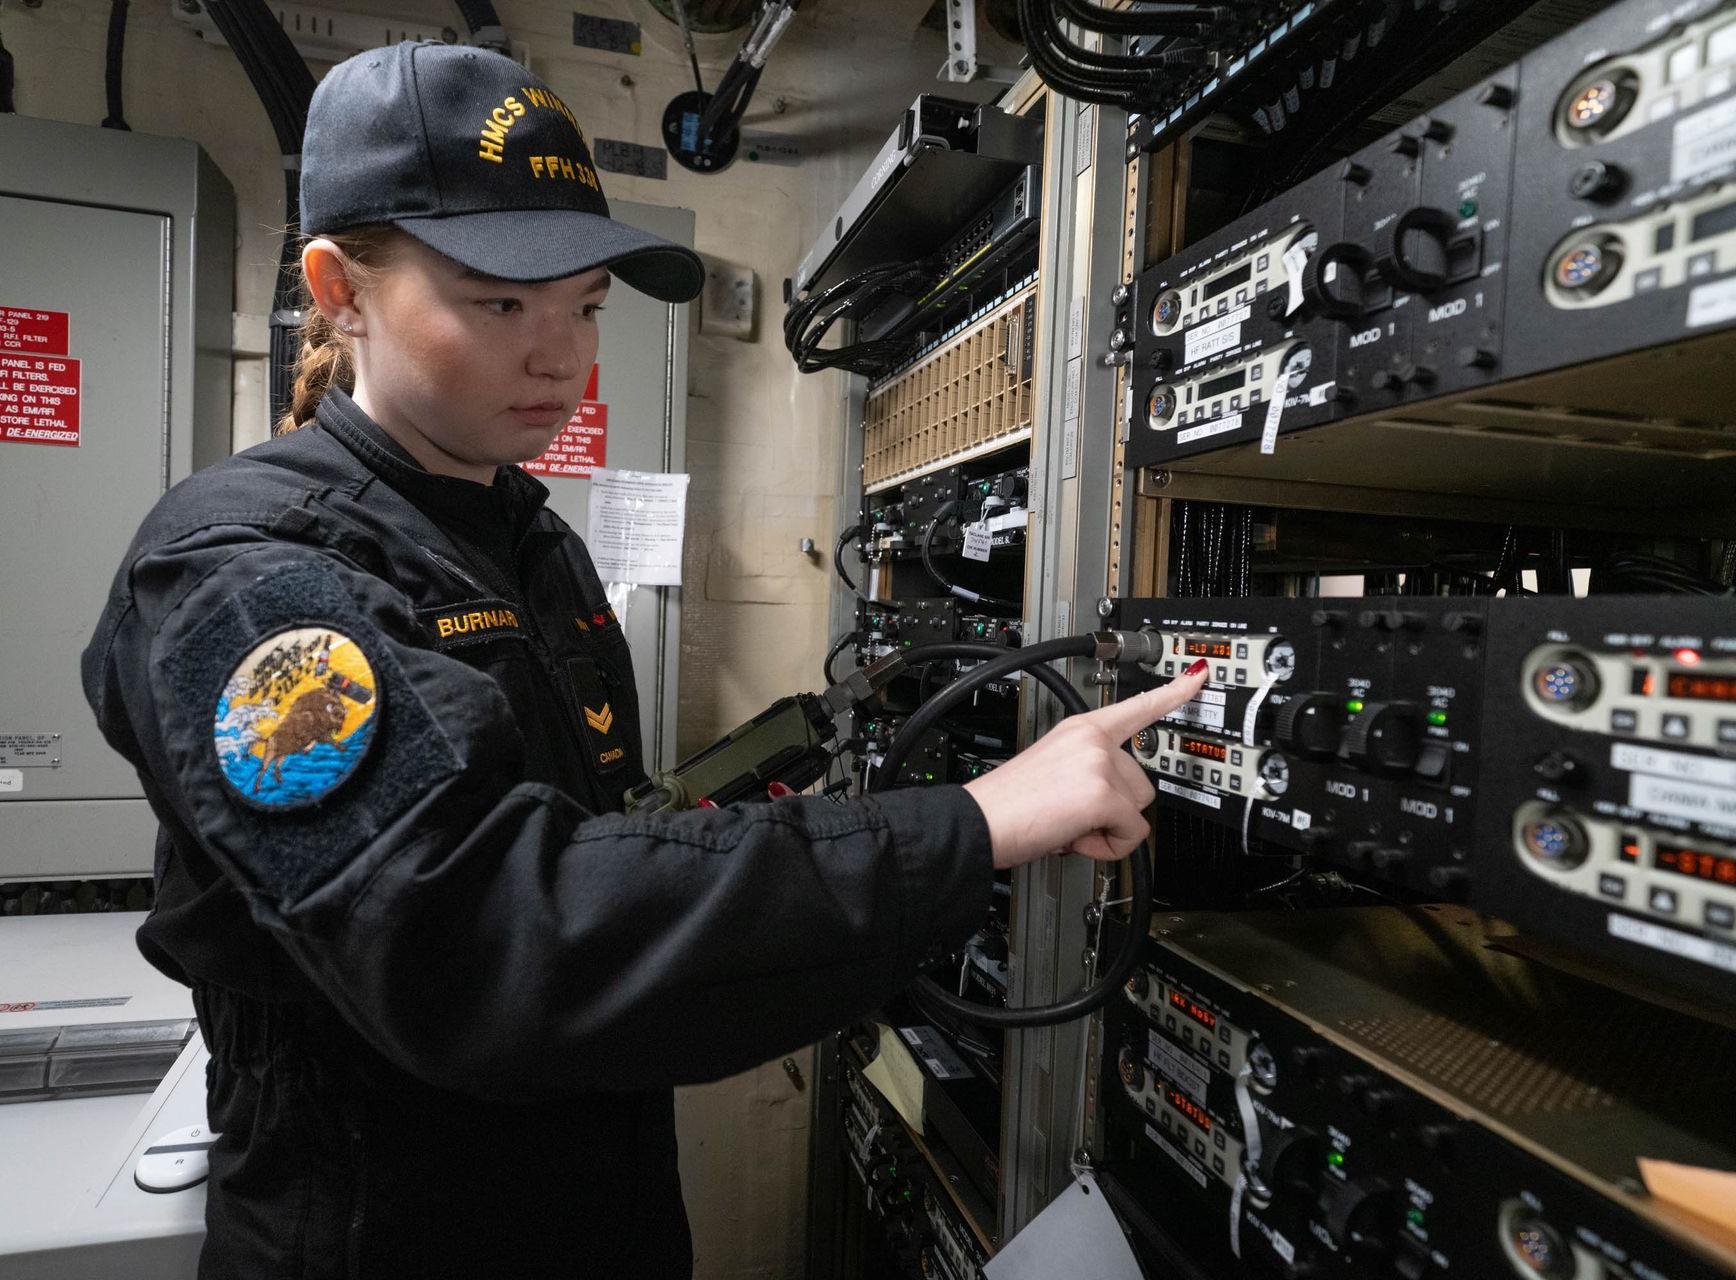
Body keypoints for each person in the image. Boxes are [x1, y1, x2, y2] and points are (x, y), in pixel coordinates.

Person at [81, 41, 1208, 1278]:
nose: (560, 357)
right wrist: (972, 821)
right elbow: (492, 934)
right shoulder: (243, 573)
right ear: (340, 289)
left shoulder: (524, 535)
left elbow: (594, 838)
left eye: (585, 310)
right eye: (500, 304)